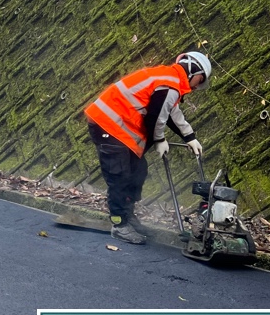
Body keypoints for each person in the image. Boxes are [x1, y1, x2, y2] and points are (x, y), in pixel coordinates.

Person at [84, 51, 210, 245]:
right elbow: (157, 117)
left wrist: (190, 137)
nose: (198, 86)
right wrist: (159, 139)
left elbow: (171, 113)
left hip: (120, 129)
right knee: (120, 176)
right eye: (200, 81)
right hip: (107, 123)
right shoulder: (170, 85)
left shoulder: (170, 81)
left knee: (138, 171)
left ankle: (128, 215)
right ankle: (119, 224)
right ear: (196, 73)